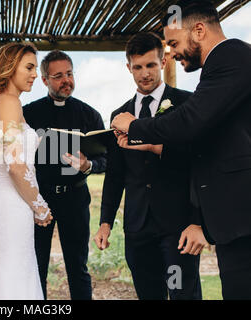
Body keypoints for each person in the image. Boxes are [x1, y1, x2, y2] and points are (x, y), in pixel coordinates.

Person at [111, 0, 251, 299]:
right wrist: (151, 145)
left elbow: (190, 121)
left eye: (173, 43)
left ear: (198, 30)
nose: (171, 53)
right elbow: (205, 145)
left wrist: (135, 127)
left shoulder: (232, 57)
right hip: (233, 224)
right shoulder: (219, 68)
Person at [95, 32, 207, 300]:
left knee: (182, 294)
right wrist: (105, 222)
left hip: (178, 228)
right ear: (128, 68)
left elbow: (199, 164)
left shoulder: (186, 103)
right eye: (138, 67)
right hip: (137, 229)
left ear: (164, 62)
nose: (145, 73)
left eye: (151, 65)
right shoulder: (118, 116)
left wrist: (197, 222)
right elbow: (115, 174)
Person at [0, 42, 53, 300]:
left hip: (4, 203)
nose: (33, 75)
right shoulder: (7, 102)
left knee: (4, 275)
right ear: (9, 67)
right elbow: (16, 165)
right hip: (10, 206)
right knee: (13, 275)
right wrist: (39, 206)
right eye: (28, 67)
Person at [23, 50, 107, 300]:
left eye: (69, 74)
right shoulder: (28, 113)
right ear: (44, 80)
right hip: (40, 199)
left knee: (77, 266)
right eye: (58, 76)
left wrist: (88, 165)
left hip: (75, 198)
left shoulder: (90, 114)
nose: (65, 80)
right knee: (36, 265)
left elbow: (106, 160)